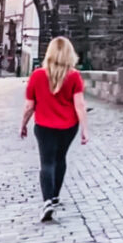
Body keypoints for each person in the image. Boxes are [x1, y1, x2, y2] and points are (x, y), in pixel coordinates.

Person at [19, 37, 89, 222]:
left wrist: (23, 124)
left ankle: (47, 201)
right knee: (60, 159)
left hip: (44, 126)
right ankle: (55, 195)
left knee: (47, 163)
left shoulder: (37, 75)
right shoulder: (74, 76)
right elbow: (80, 105)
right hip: (68, 127)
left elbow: (29, 106)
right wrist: (84, 130)